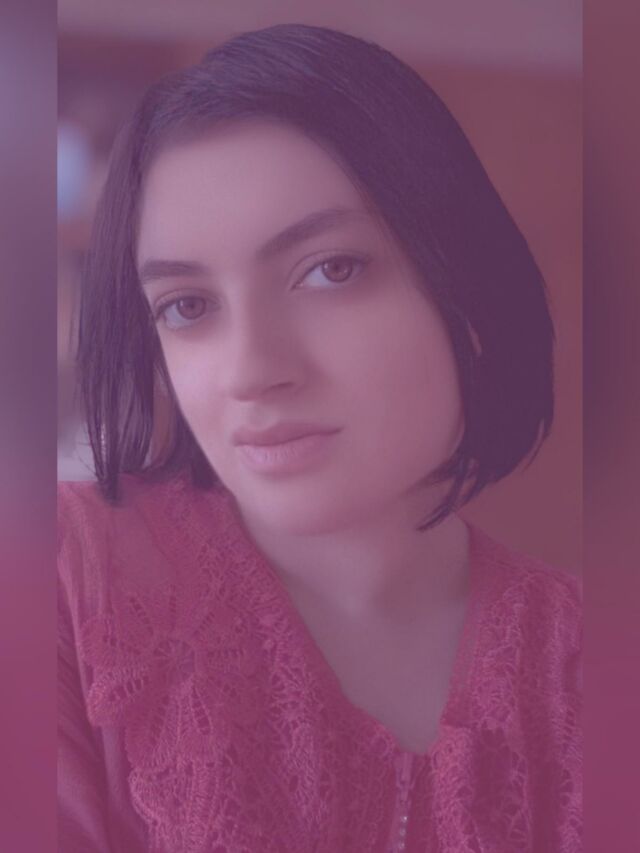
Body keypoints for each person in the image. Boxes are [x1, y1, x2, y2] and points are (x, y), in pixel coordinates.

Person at [58, 23, 582, 852]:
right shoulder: (59, 579)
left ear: (468, 289)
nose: (251, 371)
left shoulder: (590, 664)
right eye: (187, 306)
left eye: (330, 269)